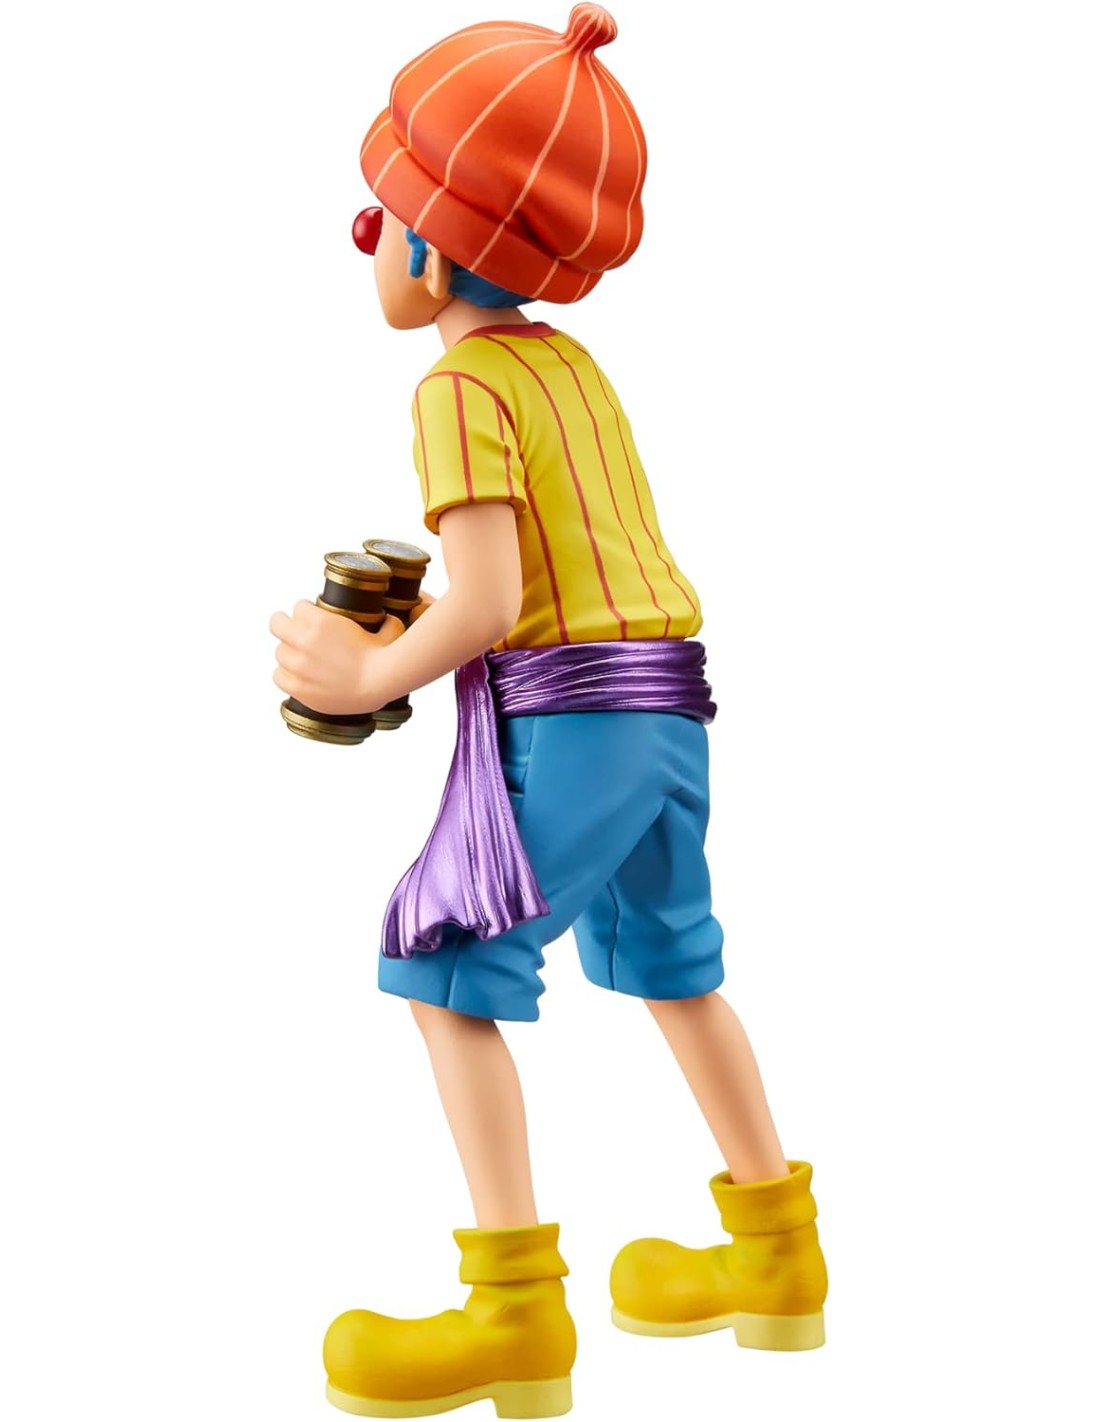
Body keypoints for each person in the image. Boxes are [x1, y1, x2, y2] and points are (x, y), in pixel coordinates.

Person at [270, 7, 828, 1418]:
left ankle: (514, 1316)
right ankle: (778, 1259)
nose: (369, 236)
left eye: (384, 212)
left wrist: (363, 676)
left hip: (571, 722)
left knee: (440, 959)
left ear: (428, 246)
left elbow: (491, 601)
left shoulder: (457, 385)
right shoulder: (570, 369)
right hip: (670, 716)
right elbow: (559, 566)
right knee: (673, 963)